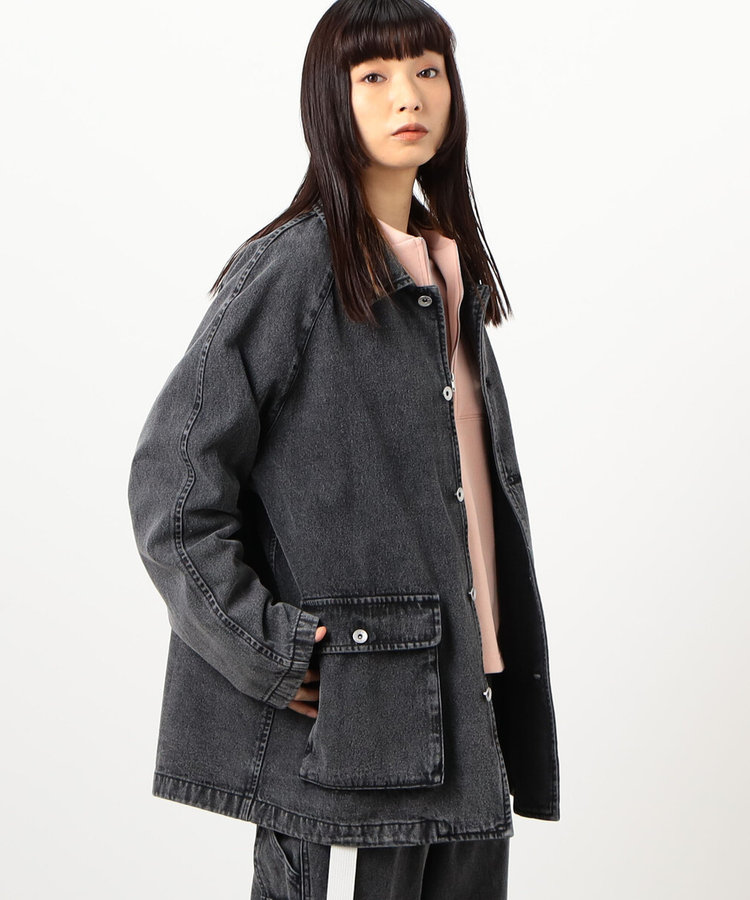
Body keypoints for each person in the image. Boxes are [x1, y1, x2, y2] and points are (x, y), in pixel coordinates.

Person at [126, 1, 560, 897]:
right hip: (352, 750)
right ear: (332, 98)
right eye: (375, 75)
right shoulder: (297, 269)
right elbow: (173, 488)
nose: (409, 95)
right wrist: (267, 648)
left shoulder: (448, 273)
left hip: (467, 730)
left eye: (428, 70)